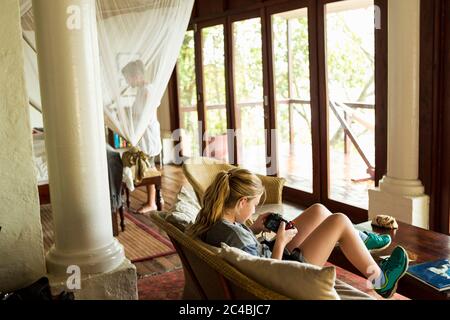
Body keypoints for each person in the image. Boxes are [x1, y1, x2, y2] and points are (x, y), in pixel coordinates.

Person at [187, 168, 409, 299]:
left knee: (319, 210)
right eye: (254, 204)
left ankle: (360, 241)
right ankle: (381, 280)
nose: (255, 209)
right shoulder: (236, 236)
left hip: (276, 257)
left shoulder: (214, 221)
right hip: (287, 270)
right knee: (339, 220)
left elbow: (245, 248)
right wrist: (281, 242)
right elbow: (269, 274)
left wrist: (254, 229)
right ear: (242, 202)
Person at [122, 60, 163, 213]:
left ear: (136, 76)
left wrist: (129, 114)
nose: (127, 81)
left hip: (148, 135)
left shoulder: (147, 90)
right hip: (143, 134)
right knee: (146, 166)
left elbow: (143, 114)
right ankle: (155, 198)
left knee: (148, 167)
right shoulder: (142, 90)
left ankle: (152, 202)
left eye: (128, 78)